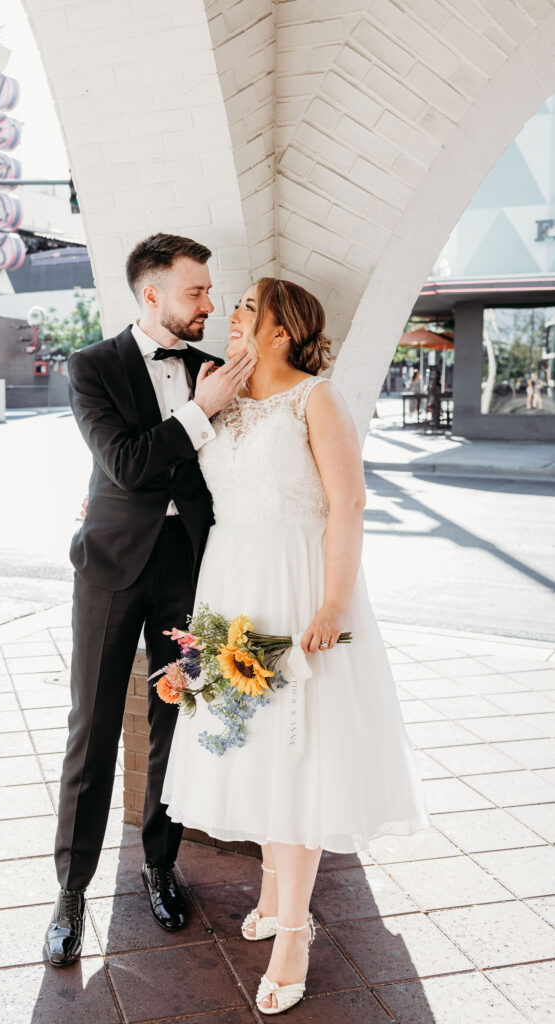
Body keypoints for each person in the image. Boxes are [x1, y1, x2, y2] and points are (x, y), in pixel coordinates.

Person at [161, 278, 431, 1015]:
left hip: (297, 583)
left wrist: (334, 602)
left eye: (248, 306)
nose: (234, 315)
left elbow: (347, 501)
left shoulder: (317, 398)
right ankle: (275, 891)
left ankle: (292, 933)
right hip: (232, 584)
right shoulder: (227, 396)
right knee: (251, 746)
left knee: (298, 747)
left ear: (282, 330)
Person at [43, 233, 254, 966]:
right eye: (196, 292)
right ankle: (71, 890)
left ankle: (160, 866)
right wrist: (198, 412)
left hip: (190, 566)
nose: (209, 304)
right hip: (110, 564)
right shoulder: (92, 366)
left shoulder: (214, 369)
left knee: (176, 719)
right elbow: (129, 465)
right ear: (152, 295)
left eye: (208, 290)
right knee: (93, 725)